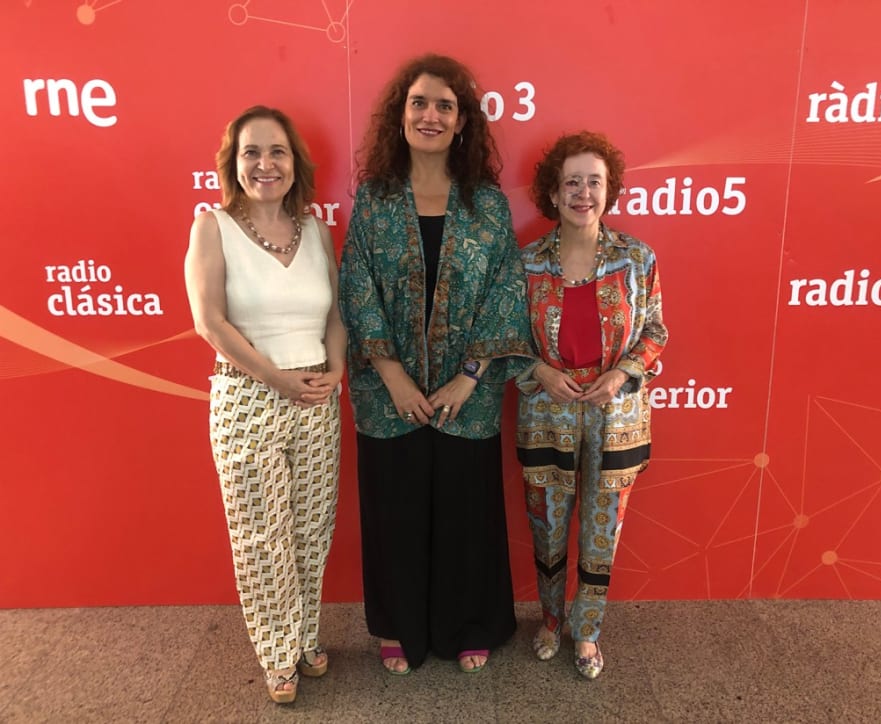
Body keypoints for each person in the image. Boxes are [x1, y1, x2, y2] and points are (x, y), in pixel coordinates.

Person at [338, 54, 533, 675]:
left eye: (444, 106)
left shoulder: (487, 205)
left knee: (463, 508)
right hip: (384, 391)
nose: (430, 114)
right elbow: (357, 285)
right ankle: (398, 626)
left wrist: (468, 376)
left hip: (465, 391)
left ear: (462, 122)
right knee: (395, 507)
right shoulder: (374, 200)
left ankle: (468, 621)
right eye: (419, 102)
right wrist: (391, 373)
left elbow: (506, 290)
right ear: (401, 116)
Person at [184, 106, 345, 704]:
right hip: (248, 395)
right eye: (250, 153)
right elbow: (210, 321)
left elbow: (334, 314)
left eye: (275, 151)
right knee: (261, 535)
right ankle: (277, 656)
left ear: (293, 161)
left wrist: (336, 370)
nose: (264, 164)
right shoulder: (212, 226)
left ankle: (305, 636)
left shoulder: (316, 230)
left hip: (314, 399)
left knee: (310, 526)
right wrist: (276, 378)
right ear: (233, 164)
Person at [516, 131, 668, 680]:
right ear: (553, 194)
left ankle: (588, 631)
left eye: (594, 182)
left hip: (616, 416)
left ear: (610, 191)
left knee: (602, 533)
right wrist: (539, 371)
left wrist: (623, 373)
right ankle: (553, 621)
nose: (583, 192)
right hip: (547, 415)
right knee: (548, 528)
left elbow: (654, 332)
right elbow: (505, 339)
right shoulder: (526, 263)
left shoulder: (636, 258)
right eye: (572, 182)